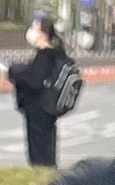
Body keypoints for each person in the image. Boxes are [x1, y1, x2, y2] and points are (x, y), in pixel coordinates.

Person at [11, 14, 75, 168]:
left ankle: (44, 176)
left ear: (43, 33)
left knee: (40, 153)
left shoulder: (45, 55)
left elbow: (34, 80)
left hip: (40, 108)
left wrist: (14, 72)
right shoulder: (57, 53)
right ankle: (49, 173)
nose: (31, 31)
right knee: (47, 148)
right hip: (48, 108)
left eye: (34, 28)